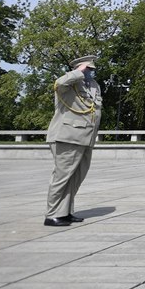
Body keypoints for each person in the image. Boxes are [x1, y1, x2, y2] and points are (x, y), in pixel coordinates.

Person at [44, 55, 102, 227]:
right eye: (88, 69)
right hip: (67, 136)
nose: (91, 72)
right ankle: (52, 214)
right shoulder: (69, 84)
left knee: (76, 177)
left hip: (86, 137)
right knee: (62, 177)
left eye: (92, 69)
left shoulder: (94, 86)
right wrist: (77, 73)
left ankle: (65, 212)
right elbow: (59, 83)